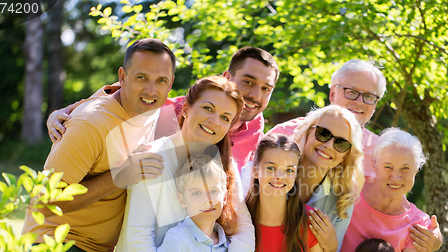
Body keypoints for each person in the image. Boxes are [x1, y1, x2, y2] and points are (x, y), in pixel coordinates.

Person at [22, 38, 176, 252]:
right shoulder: (91, 125)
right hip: (59, 246)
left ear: (170, 84)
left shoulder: (153, 107)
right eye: (141, 77)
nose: (151, 89)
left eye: (161, 80)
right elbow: (45, 204)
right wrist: (120, 175)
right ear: (123, 77)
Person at [113, 76, 255, 252]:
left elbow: (245, 234)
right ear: (187, 109)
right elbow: (137, 239)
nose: (214, 121)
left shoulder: (224, 166)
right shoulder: (154, 157)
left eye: (225, 117)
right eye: (208, 108)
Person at [268, 59, 442, 252]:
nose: (359, 102)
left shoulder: (380, 150)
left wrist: (434, 237)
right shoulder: (288, 134)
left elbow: (397, 200)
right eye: (351, 91)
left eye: (369, 96)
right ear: (332, 94)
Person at [46, 46, 279, 171]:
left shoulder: (257, 125)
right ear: (227, 77)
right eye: (248, 82)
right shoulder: (176, 109)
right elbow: (133, 93)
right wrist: (67, 111)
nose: (255, 96)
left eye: (266, 88)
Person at [327, 128, 439, 252]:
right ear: (375, 164)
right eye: (388, 166)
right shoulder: (351, 193)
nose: (395, 176)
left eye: (405, 168)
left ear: (416, 171)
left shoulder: (418, 224)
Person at [262, 105, 364, 252]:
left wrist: (330, 247)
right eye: (323, 133)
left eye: (341, 143)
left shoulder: (343, 200)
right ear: (308, 132)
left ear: (345, 155)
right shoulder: (274, 168)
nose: (329, 145)